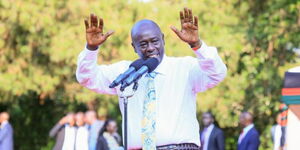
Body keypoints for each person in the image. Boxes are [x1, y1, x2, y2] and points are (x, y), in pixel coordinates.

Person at [76, 7, 227, 149]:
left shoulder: (184, 67)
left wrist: (197, 45)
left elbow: (217, 74)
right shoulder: (125, 71)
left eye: (154, 41)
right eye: (142, 44)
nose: (150, 48)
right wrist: (91, 49)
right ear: (134, 47)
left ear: (163, 39)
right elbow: (87, 78)